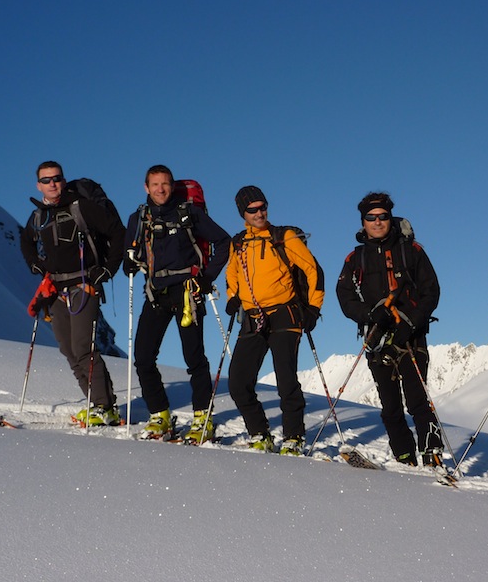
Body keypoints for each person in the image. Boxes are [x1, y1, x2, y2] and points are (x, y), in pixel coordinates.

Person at [336, 192, 445, 470]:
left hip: (411, 335)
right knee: (390, 404)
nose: (377, 221)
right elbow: (345, 297)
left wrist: (411, 321)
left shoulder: (412, 251)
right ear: (363, 222)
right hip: (376, 335)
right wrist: (370, 315)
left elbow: (431, 291)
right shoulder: (355, 259)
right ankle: (404, 456)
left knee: (418, 399)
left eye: (382, 216)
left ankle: (432, 454)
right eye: (371, 217)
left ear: (390, 218)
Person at [124, 165, 231, 442]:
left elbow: (223, 241)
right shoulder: (138, 218)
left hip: (187, 292)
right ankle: (159, 414)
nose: (161, 189)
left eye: (165, 184)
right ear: (146, 187)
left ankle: (202, 417)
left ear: (172, 186)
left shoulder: (189, 213)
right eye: (155, 184)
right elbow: (131, 252)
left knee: (194, 358)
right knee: (143, 358)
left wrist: (207, 278)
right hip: (156, 293)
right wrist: (128, 262)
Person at [20, 161, 125, 426]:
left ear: (63, 180)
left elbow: (117, 231)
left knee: (82, 348)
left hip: (83, 285)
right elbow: (26, 241)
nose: (52, 184)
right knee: (68, 349)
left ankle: (104, 407)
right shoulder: (37, 217)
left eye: (56, 178)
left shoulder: (80, 207)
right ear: (38, 185)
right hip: (55, 289)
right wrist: (34, 262)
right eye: (46, 180)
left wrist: (108, 270)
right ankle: (100, 404)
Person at [225, 185, 324, 455]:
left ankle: (293, 436)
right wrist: (232, 297)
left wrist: (313, 308)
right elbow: (232, 274)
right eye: (252, 209)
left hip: (285, 313)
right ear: (242, 213)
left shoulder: (283, 237)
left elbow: (312, 269)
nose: (259, 212)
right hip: (253, 316)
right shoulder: (238, 243)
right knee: (237, 382)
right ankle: (260, 433)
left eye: (263, 206)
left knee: (286, 379)